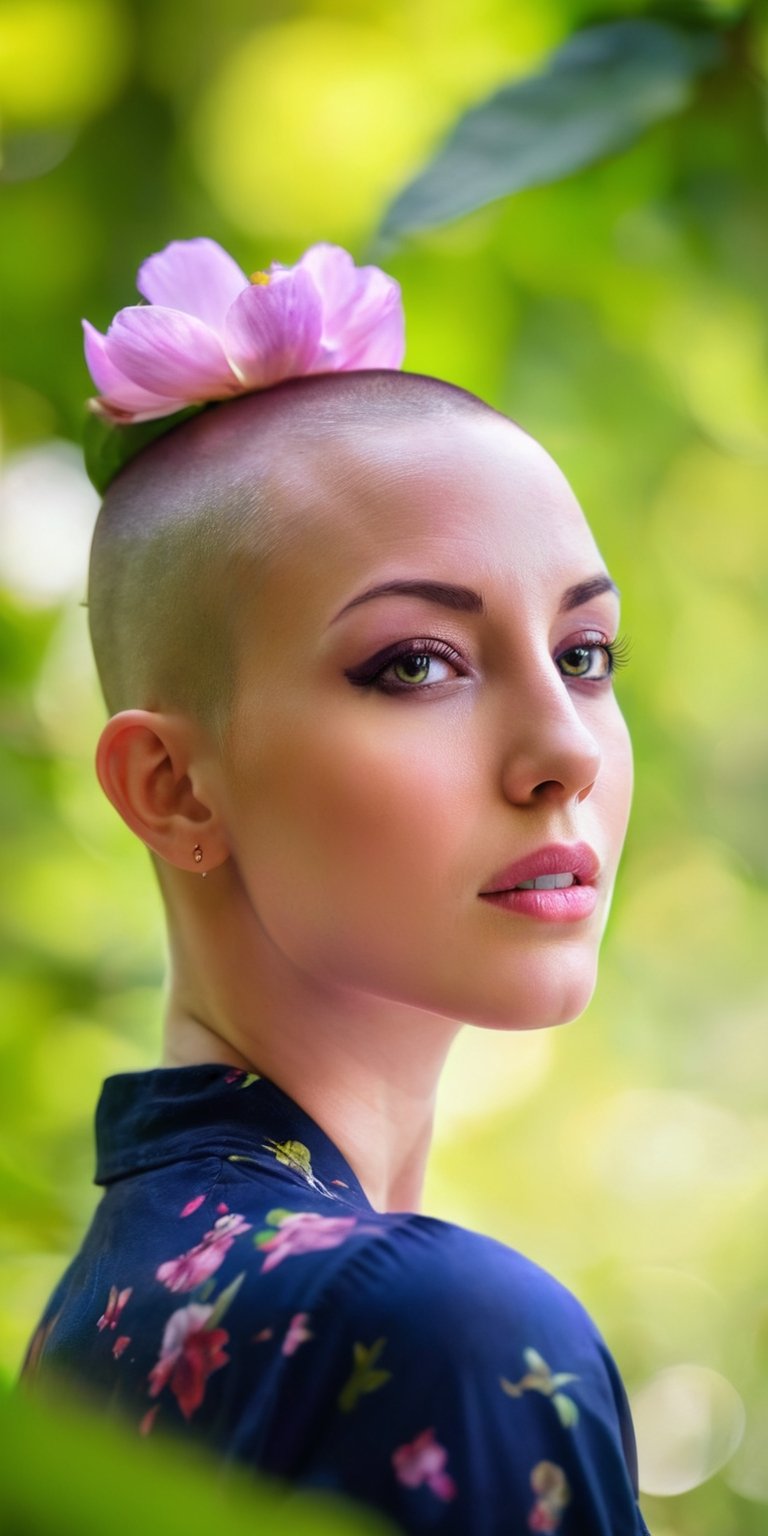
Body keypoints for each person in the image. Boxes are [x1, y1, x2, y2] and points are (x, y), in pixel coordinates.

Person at [21, 238, 650, 1535]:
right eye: (416, 664)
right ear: (175, 789)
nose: (566, 751)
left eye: (585, 653)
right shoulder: (442, 1330)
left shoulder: (92, 1337)